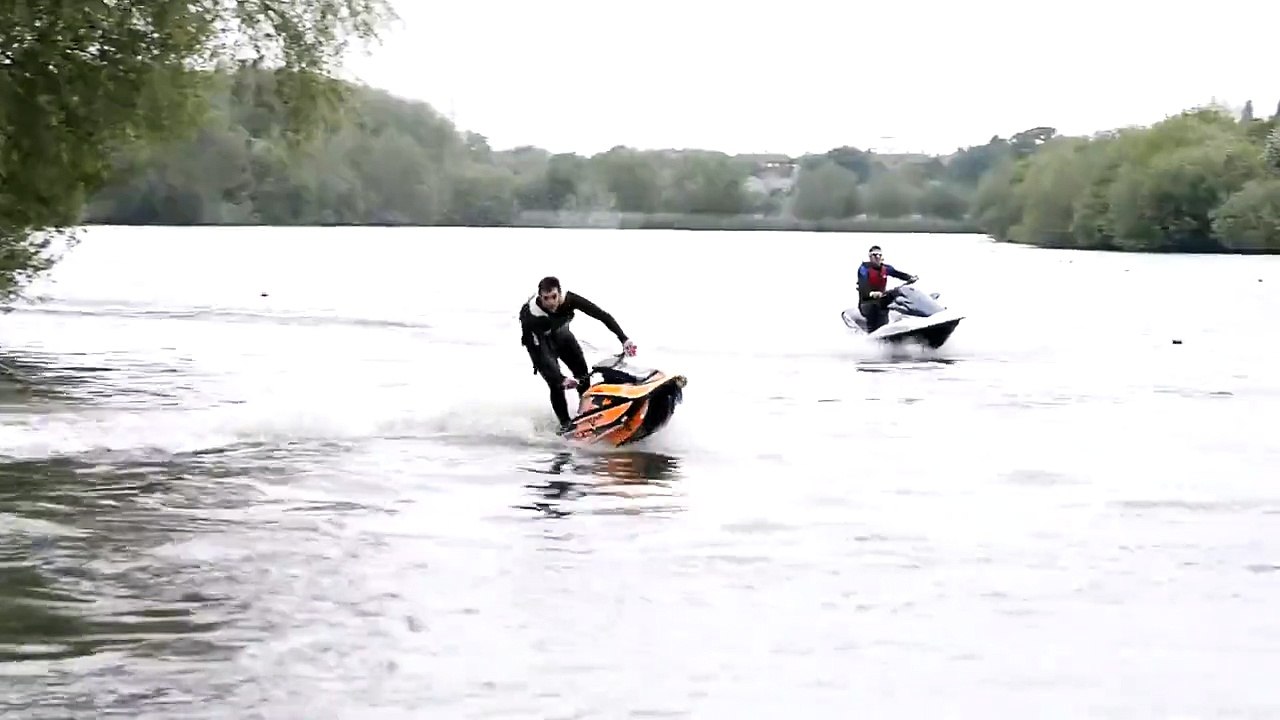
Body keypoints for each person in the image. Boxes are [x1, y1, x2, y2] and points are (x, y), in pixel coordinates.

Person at [519, 276, 637, 432]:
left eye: (554, 297)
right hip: (539, 345)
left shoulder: (570, 299)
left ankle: (586, 414)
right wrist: (560, 378)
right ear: (540, 297)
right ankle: (565, 425)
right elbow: (541, 357)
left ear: (560, 294)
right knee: (556, 385)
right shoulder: (533, 315)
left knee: (582, 374)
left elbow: (601, 315)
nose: (551, 302)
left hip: (562, 336)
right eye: (546, 298)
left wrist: (624, 339)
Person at [856, 245, 918, 332]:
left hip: (881, 300)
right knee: (875, 309)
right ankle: (872, 333)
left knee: (896, 298)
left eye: (879, 255)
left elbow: (897, 273)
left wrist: (909, 277)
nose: (877, 257)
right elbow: (863, 285)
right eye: (874, 255)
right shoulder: (864, 269)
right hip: (867, 302)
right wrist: (871, 293)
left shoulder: (886, 268)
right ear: (870, 257)